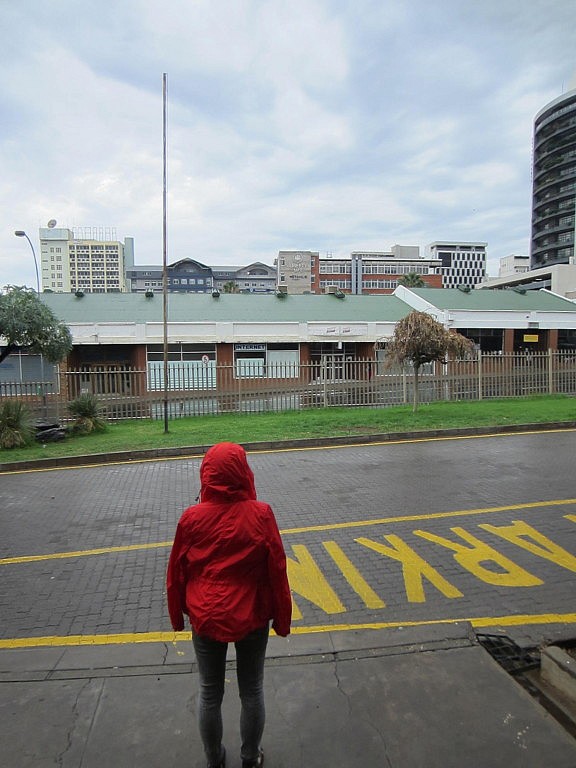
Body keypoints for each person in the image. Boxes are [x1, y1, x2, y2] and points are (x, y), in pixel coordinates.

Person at [167, 442, 292, 768]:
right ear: (243, 472)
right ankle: (250, 757)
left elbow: (176, 572)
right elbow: (277, 569)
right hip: (252, 614)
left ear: (207, 474)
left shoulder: (191, 518)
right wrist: (282, 619)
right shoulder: (261, 514)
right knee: (252, 690)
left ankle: (214, 759)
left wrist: (179, 616)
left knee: (210, 692)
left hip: (206, 614)